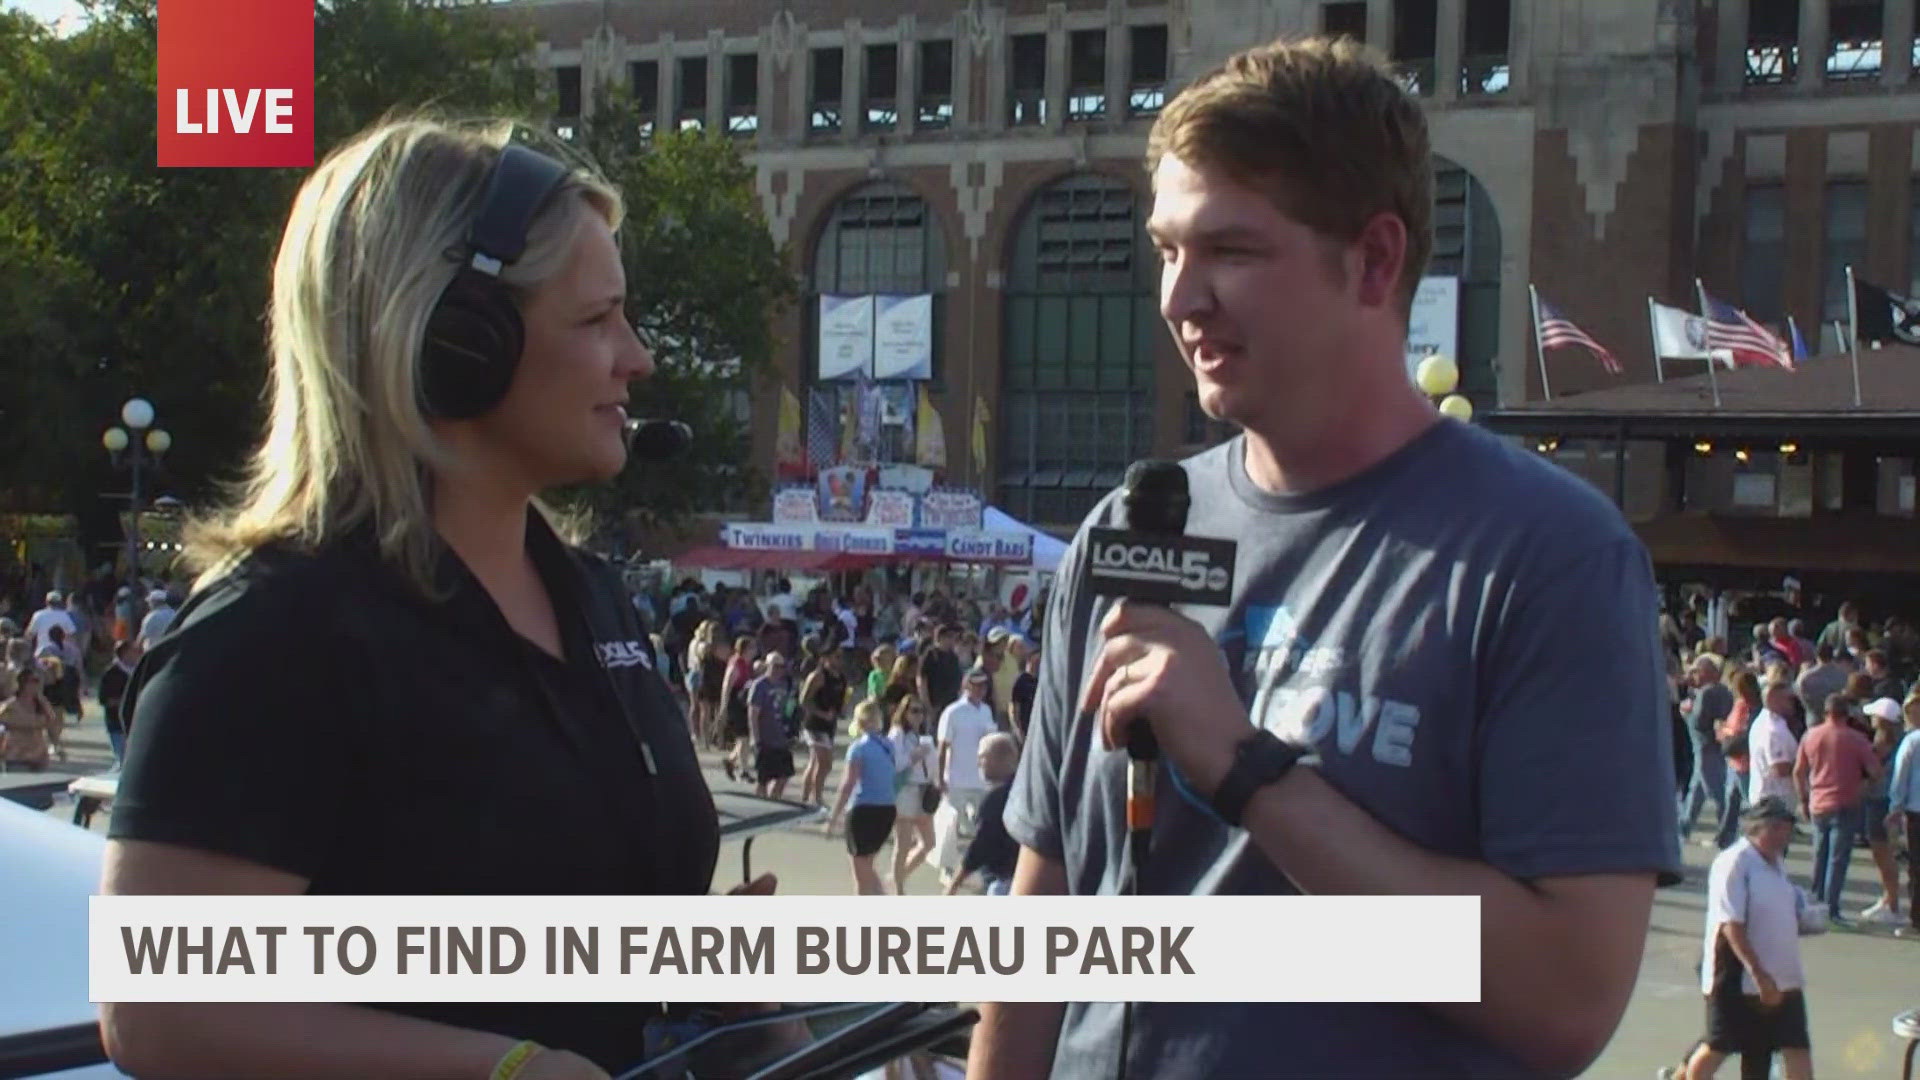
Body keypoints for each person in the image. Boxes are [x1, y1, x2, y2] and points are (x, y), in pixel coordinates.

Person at [972, 36, 1679, 1080]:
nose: (1179, 297)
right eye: (1168, 249)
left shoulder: (1548, 557)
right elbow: (1044, 919)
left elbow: (1564, 998)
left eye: (1232, 252)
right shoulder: (1126, 533)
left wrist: (1247, 770)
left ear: (1375, 260)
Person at [98, 118, 757, 1080]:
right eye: (595, 320)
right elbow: (161, 1009)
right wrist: (504, 1068)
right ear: (455, 343)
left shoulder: (593, 599)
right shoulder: (273, 632)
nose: (638, 356)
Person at [1663, 797, 1812, 1080]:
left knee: (1793, 1045)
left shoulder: (1776, 861)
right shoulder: (1734, 863)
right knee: (1718, 1045)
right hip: (1737, 977)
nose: (1787, 835)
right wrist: (1758, 974)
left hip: (1784, 975)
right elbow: (1732, 924)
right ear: (1763, 829)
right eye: (1782, 828)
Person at [1790, 693, 1880, 925]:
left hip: (1819, 801)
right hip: (1846, 801)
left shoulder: (1810, 736)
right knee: (1838, 858)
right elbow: (1876, 772)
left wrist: (1802, 799)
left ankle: (1816, 900)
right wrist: (1862, 787)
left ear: (1825, 712)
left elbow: (1798, 771)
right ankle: (1831, 908)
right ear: (1846, 714)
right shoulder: (1857, 739)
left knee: (1820, 853)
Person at [826, 700, 898, 895]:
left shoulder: (858, 748)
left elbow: (847, 784)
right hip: (887, 809)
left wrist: (833, 817)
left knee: (860, 871)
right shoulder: (889, 745)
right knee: (866, 864)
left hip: (864, 810)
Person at [946, 732, 1021, 896]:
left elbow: (980, 847)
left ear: (1003, 758)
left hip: (1004, 881)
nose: (978, 764)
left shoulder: (997, 798)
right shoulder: (1028, 788)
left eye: (983, 757)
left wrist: (953, 885)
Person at [885, 696, 937, 895]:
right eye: (913, 711)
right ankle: (898, 888)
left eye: (921, 711)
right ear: (904, 712)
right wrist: (916, 754)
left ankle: (898, 876)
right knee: (903, 843)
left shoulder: (921, 735)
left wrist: (935, 780)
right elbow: (896, 763)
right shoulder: (897, 734)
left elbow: (931, 763)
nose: (918, 716)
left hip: (923, 790)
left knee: (929, 842)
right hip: (905, 791)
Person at [1679, 655, 1733, 845]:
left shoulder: (1706, 693)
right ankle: (1684, 828)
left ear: (1707, 673)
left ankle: (1726, 833)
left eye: (1697, 672)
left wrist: (1687, 713)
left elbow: (1700, 720)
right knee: (1697, 791)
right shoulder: (1724, 691)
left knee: (1716, 791)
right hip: (1713, 746)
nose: (1694, 676)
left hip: (1704, 746)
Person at [795, 646, 849, 808]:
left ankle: (805, 797)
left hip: (829, 725)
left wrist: (841, 711)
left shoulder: (841, 678)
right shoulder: (818, 676)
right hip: (814, 724)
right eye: (835, 657)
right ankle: (817, 798)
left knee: (815, 762)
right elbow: (804, 700)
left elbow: (839, 702)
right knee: (825, 762)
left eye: (840, 657)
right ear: (825, 658)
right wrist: (821, 713)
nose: (838, 660)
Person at [1888, 694, 1920, 937]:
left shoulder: (1912, 741)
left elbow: (1901, 776)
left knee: (1916, 868)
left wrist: (1895, 807)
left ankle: (1916, 920)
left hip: (1915, 810)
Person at [747, 652, 796, 799]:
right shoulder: (759, 685)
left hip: (781, 737)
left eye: (781, 667)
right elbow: (753, 713)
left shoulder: (784, 684)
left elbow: (789, 709)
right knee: (763, 779)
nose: (778, 670)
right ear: (767, 666)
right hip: (765, 738)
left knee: (784, 775)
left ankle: (775, 799)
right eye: (775, 666)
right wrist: (755, 738)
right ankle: (761, 804)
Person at [0, 665, 56, 771]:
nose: (35, 685)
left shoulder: (41, 704)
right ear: (22, 684)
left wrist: (56, 745)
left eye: (37, 681)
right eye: (32, 681)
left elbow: (51, 721)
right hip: (16, 755)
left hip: (38, 755)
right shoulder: (11, 705)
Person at [97, 639, 140, 763]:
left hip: (135, 724)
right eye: (134, 651)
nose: (138, 654)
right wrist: (127, 700)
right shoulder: (111, 674)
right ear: (125, 653)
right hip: (116, 724)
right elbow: (104, 699)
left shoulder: (138, 671)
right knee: (123, 760)